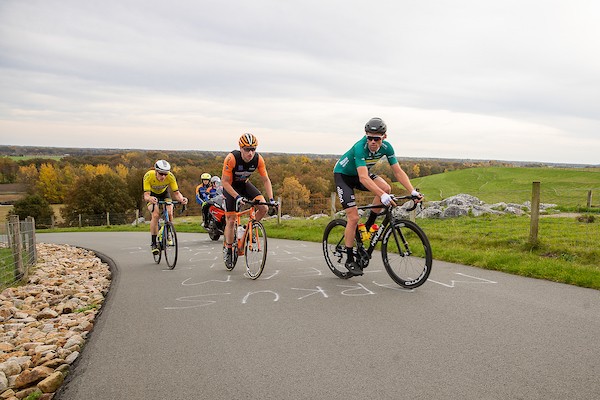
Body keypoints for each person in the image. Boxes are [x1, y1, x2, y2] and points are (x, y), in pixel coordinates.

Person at [333, 117, 422, 276]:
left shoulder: (387, 147)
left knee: (386, 187)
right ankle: (349, 258)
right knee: (353, 217)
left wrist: (412, 191)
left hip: (362, 174)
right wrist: (382, 196)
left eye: (377, 138)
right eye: (369, 138)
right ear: (365, 135)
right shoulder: (360, 147)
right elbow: (363, 178)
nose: (373, 142)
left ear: (384, 137)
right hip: (344, 176)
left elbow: (398, 172)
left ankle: (368, 226)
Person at [221, 133, 276, 268]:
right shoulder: (232, 158)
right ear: (241, 148)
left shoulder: (258, 159)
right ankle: (229, 249)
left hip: (244, 184)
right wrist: (237, 197)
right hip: (230, 187)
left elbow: (265, 179)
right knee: (231, 220)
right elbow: (225, 182)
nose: (250, 153)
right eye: (247, 149)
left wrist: (271, 199)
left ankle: (247, 229)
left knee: (263, 207)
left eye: (253, 149)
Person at [143, 160, 188, 254]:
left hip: (164, 194)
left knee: (170, 211)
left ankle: (168, 233)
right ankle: (154, 242)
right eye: (161, 174)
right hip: (152, 194)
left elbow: (176, 193)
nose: (163, 176)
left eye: (165, 174)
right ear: (156, 171)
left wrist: (182, 199)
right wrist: (150, 199)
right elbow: (146, 196)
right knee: (155, 215)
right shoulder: (148, 176)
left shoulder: (170, 177)